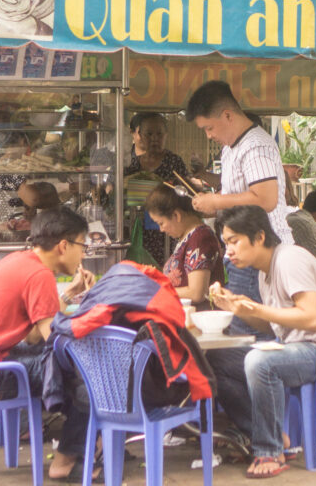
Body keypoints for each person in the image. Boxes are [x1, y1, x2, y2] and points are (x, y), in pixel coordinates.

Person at [0, 206, 95, 480]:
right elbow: (55, 340)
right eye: (82, 246)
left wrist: (72, 292)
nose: (83, 254)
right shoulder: (39, 276)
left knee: (70, 367)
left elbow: (33, 335)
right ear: (64, 245)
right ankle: (67, 459)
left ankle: (90, 445)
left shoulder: (19, 260)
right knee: (89, 378)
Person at [206, 206, 316, 479]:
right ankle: (269, 436)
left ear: (259, 237)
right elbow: (277, 323)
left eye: (234, 241)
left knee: (260, 362)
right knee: (213, 359)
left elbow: (312, 319)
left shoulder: (289, 260)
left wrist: (255, 309)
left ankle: (268, 450)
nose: (228, 251)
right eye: (226, 243)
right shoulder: (265, 271)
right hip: (295, 348)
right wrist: (241, 309)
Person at [184, 80, 293, 334]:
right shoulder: (232, 148)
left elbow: (266, 198)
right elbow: (238, 194)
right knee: (241, 332)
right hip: (242, 253)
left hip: (259, 256)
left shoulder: (256, 145)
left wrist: (217, 201)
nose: (209, 135)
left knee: (247, 336)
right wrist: (214, 204)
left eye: (209, 127)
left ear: (227, 115)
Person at [123, 112, 191, 265]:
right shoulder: (131, 164)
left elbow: (184, 193)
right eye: (149, 134)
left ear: (166, 135)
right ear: (139, 135)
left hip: (165, 231)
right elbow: (121, 194)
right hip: (136, 230)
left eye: (159, 134)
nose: (154, 139)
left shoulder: (174, 162)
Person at [144, 183, 224, 308]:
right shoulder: (188, 236)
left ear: (176, 215)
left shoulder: (200, 238)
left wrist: (155, 291)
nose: (161, 229)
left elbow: (197, 293)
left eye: (161, 223)